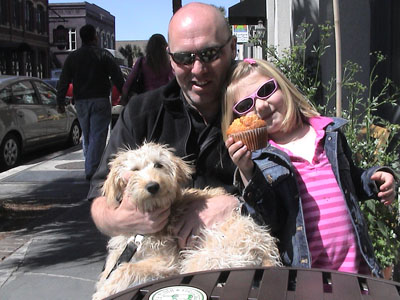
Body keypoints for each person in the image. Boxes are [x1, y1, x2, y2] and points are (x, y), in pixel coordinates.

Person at [222, 58, 397, 277]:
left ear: (283, 86)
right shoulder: (261, 161)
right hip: (307, 277)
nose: (261, 106)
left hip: (357, 270)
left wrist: (375, 178)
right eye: (245, 105)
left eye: (266, 90)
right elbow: (268, 221)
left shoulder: (328, 133)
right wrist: (248, 174)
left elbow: (351, 180)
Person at [88, 3, 239, 248]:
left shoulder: (261, 107)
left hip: (231, 260)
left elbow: (298, 194)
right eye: (184, 58)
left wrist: (237, 205)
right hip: (155, 264)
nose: (198, 69)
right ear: (170, 58)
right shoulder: (140, 112)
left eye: (210, 54)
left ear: (232, 48)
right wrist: (120, 219)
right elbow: (98, 196)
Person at [57, 24, 125, 180]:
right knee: (98, 136)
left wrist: (60, 100)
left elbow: (64, 80)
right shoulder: (104, 55)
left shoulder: (73, 57)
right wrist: (125, 95)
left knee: (87, 135)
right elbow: (118, 77)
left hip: (80, 101)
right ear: (95, 37)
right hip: (100, 99)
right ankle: (92, 169)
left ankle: (90, 165)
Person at [121, 34, 174, 105]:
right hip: (163, 100)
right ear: (164, 47)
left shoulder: (142, 62)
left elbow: (129, 82)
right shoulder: (168, 64)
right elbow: (172, 80)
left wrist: (124, 98)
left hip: (146, 101)